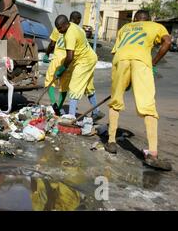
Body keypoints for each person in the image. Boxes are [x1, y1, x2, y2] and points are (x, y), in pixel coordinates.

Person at [105, 10, 172, 171]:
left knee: (115, 100)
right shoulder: (156, 26)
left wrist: (125, 80)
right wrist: (153, 62)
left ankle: (111, 142)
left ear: (135, 19)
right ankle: (152, 154)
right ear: (149, 19)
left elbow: (120, 51)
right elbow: (168, 42)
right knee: (147, 105)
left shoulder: (125, 28)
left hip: (120, 60)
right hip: (142, 62)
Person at [54, 15, 104, 121]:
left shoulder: (69, 34)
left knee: (74, 86)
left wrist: (62, 69)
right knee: (88, 86)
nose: (59, 31)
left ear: (65, 24)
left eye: (60, 28)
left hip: (84, 61)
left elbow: (70, 57)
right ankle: (96, 112)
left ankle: (71, 117)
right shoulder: (73, 26)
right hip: (90, 57)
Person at [42, 16, 69, 115]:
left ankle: (54, 104)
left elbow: (52, 44)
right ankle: (60, 107)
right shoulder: (72, 30)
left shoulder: (57, 29)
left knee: (49, 81)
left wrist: (46, 54)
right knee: (64, 86)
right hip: (68, 60)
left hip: (57, 59)